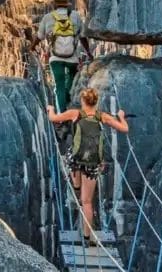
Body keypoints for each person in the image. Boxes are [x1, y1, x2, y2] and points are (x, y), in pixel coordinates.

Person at [47, 87, 128, 245]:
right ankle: (86, 237)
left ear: (83, 101)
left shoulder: (75, 113)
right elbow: (124, 129)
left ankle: (76, 187)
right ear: (96, 102)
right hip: (92, 163)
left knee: (69, 157)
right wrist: (121, 116)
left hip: (76, 159)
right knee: (87, 202)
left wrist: (50, 108)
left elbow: (53, 118)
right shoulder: (102, 116)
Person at [31, 0, 92, 112]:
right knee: (71, 84)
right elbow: (83, 36)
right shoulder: (75, 16)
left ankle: (63, 113)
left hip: (56, 59)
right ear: (67, 5)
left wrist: (32, 46)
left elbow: (39, 36)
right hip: (72, 58)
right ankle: (70, 106)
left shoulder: (48, 17)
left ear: (55, 5)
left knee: (59, 86)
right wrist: (89, 52)